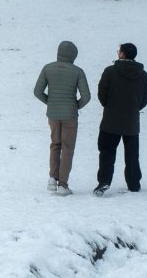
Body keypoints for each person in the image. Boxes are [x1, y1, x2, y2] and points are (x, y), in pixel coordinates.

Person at [33, 41, 91, 195]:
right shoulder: (78, 71)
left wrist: (51, 103)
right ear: (73, 55)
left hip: (53, 114)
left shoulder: (47, 68)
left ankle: (52, 178)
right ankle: (63, 185)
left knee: (55, 144)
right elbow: (86, 96)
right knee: (67, 148)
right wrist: (75, 106)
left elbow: (37, 91)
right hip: (70, 116)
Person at [94, 43, 147, 195]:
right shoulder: (143, 75)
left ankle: (104, 181)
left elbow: (102, 93)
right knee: (132, 155)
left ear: (123, 54)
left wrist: (108, 105)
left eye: (119, 51)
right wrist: (134, 109)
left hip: (110, 121)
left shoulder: (110, 71)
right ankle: (133, 183)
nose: (118, 53)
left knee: (106, 152)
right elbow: (145, 98)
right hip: (131, 122)